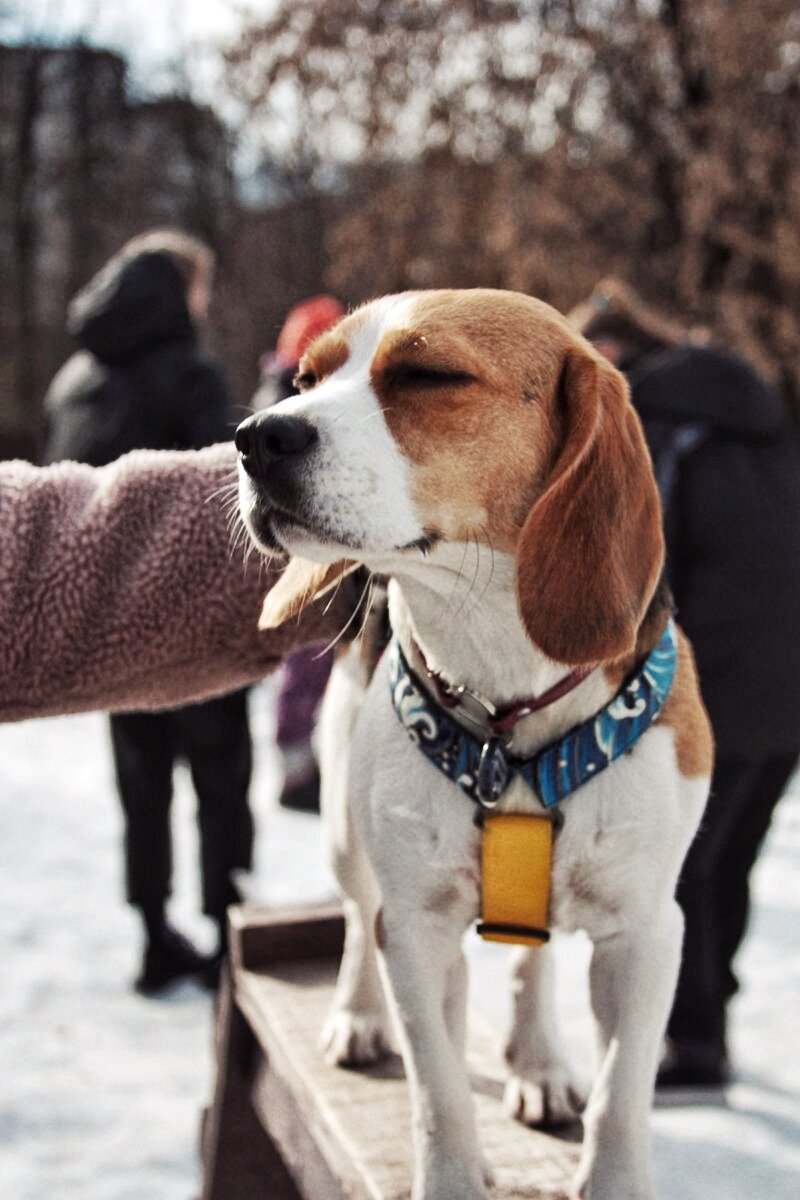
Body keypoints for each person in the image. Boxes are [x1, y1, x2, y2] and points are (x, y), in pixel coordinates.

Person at [570, 278, 800, 1087]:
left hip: (716, 686)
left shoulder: (660, 430)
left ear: (613, 350)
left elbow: (644, 571)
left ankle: (693, 1040)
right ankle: (708, 1016)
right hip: (788, 689)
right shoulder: (760, 420)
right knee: (726, 861)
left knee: (684, 867)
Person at [43, 230, 249, 993]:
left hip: (101, 623)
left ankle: (155, 932)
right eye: (200, 290)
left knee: (142, 779)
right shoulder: (188, 373)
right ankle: (228, 928)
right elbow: (226, 498)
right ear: (178, 289)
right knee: (219, 775)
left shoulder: (71, 380)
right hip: (191, 621)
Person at [256, 295, 345, 811]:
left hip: (298, 539)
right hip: (306, 545)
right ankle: (297, 768)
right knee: (309, 653)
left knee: (309, 657)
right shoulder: (297, 397)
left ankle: (301, 760)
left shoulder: (274, 388)